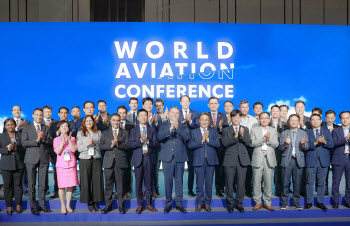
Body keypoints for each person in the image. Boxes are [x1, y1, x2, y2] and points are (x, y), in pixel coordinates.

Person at [158, 107, 190, 213]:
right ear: (169, 114)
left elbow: (187, 137)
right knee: (168, 182)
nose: (175, 115)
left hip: (179, 157)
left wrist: (178, 128)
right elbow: (160, 137)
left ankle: (179, 204)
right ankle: (168, 203)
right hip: (167, 157)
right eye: (173, 113)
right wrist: (170, 129)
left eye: (177, 113)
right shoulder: (164, 125)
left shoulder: (183, 126)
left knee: (179, 181)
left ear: (179, 114)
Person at [21, 108, 53, 215]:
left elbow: (50, 141)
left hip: (44, 158)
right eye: (37, 115)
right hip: (30, 158)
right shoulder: (27, 127)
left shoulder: (45, 127)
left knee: (42, 183)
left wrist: (43, 139)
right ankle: (33, 206)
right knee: (31, 184)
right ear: (33, 115)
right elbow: (24, 143)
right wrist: (37, 140)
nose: (39, 117)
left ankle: (42, 205)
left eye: (41, 115)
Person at [189, 112, 220, 212]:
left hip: (210, 161)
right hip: (198, 161)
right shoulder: (194, 132)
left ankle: (207, 203)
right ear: (199, 120)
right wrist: (201, 141)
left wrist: (208, 139)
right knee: (199, 184)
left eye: (206, 120)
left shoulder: (213, 131)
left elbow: (217, 144)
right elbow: (190, 145)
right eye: (202, 119)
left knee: (209, 183)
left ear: (209, 121)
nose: (204, 122)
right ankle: (199, 203)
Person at [99, 113, 130, 214]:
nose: (116, 122)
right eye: (114, 120)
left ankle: (121, 205)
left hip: (120, 162)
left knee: (120, 186)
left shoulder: (125, 133)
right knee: (108, 185)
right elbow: (101, 146)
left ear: (120, 121)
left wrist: (118, 144)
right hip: (108, 163)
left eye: (118, 120)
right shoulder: (104, 133)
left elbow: (127, 146)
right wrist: (111, 145)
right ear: (110, 121)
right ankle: (108, 206)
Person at [130, 109, 158, 214]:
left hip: (148, 158)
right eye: (141, 115)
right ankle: (140, 205)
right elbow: (131, 144)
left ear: (147, 117)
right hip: (138, 159)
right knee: (138, 184)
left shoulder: (151, 129)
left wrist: (147, 141)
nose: (143, 117)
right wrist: (141, 141)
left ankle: (148, 204)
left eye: (145, 115)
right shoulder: (133, 130)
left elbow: (155, 143)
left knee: (149, 183)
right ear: (137, 118)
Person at [222, 110, 251, 213]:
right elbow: (225, 143)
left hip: (242, 160)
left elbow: (248, 143)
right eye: (234, 117)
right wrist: (235, 137)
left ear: (241, 118)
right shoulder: (226, 130)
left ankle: (239, 204)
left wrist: (242, 136)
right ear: (231, 118)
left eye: (238, 117)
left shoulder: (246, 129)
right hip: (229, 160)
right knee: (229, 184)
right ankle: (230, 204)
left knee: (241, 184)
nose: (236, 119)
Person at [279, 114, 308, 210]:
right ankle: (284, 202)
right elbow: (281, 148)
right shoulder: (284, 133)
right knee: (285, 183)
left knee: (297, 183)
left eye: (296, 120)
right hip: (287, 160)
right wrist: (286, 144)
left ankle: (296, 202)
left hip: (298, 161)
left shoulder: (303, 133)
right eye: (292, 120)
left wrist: (303, 144)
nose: (294, 122)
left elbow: (307, 148)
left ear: (299, 122)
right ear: (288, 121)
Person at [305, 114, 334, 211]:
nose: (315, 121)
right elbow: (304, 146)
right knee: (309, 183)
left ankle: (320, 202)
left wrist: (325, 142)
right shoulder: (307, 132)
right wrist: (315, 143)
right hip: (311, 160)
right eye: (313, 120)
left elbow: (331, 144)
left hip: (323, 161)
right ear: (310, 122)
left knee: (321, 184)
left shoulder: (326, 131)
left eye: (317, 119)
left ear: (321, 121)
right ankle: (308, 202)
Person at [250, 112, 278, 211]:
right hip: (257, 159)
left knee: (268, 183)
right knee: (256, 182)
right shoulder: (254, 130)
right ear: (259, 119)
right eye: (262, 118)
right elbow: (252, 143)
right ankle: (257, 202)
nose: (264, 120)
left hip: (269, 159)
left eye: (266, 118)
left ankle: (267, 202)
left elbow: (276, 144)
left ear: (269, 119)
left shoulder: (273, 130)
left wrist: (269, 139)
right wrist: (262, 139)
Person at [76, 115, 104, 212]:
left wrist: (95, 145)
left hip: (96, 158)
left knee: (97, 181)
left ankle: (96, 202)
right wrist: (87, 144)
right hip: (84, 158)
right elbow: (79, 148)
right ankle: (89, 202)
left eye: (90, 121)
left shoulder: (98, 132)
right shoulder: (80, 133)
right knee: (86, 181)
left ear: (93, 122)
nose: (89, 122)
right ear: (84, 122)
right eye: (87, 121)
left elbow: (102, 146)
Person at [53, 121, 79, 214]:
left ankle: (68, 205)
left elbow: (73, 149)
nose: (64, 128)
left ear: (68, 128)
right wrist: (63, 142)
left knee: (70, 186)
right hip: (61, 166)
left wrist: (69, 141)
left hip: (71, 164)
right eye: (62, 126)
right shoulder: (56, 139)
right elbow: (58, 151)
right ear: (59, 128)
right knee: (61, 187)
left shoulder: (72, 138)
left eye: (66, 126)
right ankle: (62, 205)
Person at [4, 105, 31, 196]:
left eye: (18, 110)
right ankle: (13, 190)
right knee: (13, 172)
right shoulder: (8, 122)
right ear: (12, 112)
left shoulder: (26, 122)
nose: (17, 111)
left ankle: (25, 188)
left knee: (24, 171)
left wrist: (22, 128)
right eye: (15, 110)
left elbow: (29, 135)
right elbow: (6, 135)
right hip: (11, 152)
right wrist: (16, 128)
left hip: (23, 150)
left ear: (21, 111)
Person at [0, 118, 24, 215]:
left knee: (18, 185)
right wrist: (7, 149)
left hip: (19, 164)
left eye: (12, 124)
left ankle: (18, 205)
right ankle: (9, 206)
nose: (10, 126)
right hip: (6, 165)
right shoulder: (1, 136)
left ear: (15, 125)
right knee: (7, 186)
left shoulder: (20, 135)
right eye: (8, 125)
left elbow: (24, 148)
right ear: (5, 126)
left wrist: (16, 148)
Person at [179, 95, 199, 197]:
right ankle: (179, 189)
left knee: (191, 168)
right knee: (179, 168)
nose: (186, 103)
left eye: (187, 101)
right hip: (180, 144)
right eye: (184, 101)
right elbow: (175, 126)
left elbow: (197, 126)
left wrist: (190, 121)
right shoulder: (177, 113)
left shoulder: (195, 113)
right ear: (180, 102)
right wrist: (183, 122)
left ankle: (190, 189)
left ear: (189, 102)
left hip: (191, 144)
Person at [207, 97, 228, 197]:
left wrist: (220, 128)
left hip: (220, 145)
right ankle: (208, 189)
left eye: (215, 103)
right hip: (209, 144)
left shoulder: (223, 116)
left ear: (218, 105)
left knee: (220, 168)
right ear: (208, 105)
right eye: (211, 103)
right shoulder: (205, 116)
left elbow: (226, 131)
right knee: (209, 168)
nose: (213, 105)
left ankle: (219, 188)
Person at [239, 100, 258, 197]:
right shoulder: (236, 118)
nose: (244, 109)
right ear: (239, 108)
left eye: (246, 107)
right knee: (239, 169)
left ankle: (248, 189)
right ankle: (238, 189)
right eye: (243, 107)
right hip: (239, 146)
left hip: (250, 147)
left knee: (249, 169)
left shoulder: (254, 119)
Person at [331, 111, 350, 209]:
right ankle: (335, 202)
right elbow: (333, 143)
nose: (345, 120)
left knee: (349, 182)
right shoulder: (336, 130)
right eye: (343, 118)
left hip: (349, 158)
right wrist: (345, 139)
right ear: (340, 119)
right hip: (339, 158)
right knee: (336, 181)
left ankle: (348, 201)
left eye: (347, 118)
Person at [269, 105, 288, 197]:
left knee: (279, 170)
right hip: (268, 149)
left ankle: (278, 190)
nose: (275, 113)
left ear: (280, 113)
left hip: (279, 150)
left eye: (277, 111)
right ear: (270, 112)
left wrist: (280, 126)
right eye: (273, 111)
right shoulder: (266, 122)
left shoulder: (285, 124)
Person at [117, 105, 134, 199]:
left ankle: (127, 190)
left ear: (126, 114)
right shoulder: (114, 123)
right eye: (120, 113)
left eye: (123, 113)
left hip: (128, 151)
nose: (122, 114)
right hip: (116, 151)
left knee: (127, 171)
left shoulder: (131, 125)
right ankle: (118, 191)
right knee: (117, 172)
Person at [42, 105, 57, 197]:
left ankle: (56, 190)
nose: (48, 113)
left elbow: (57, 135)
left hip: (55, 150)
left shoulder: (55, 122)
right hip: (43, 150)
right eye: (46, 112)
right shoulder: (40, 122)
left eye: (49, 112)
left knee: (56, 170)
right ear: (43, 113)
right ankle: (45, 189)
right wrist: (46, 128)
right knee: (44, 170)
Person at [324, 110, 340, 195]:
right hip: (325, 154)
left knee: (336, 174)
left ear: (334, 118)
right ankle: (325, 191)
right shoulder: (322, 127)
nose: (330, 120)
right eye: (328, 118)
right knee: (324, 174)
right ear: (325, 118)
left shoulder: (338, 128)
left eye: (332, 118)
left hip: (336, 154)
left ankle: (335, 192)